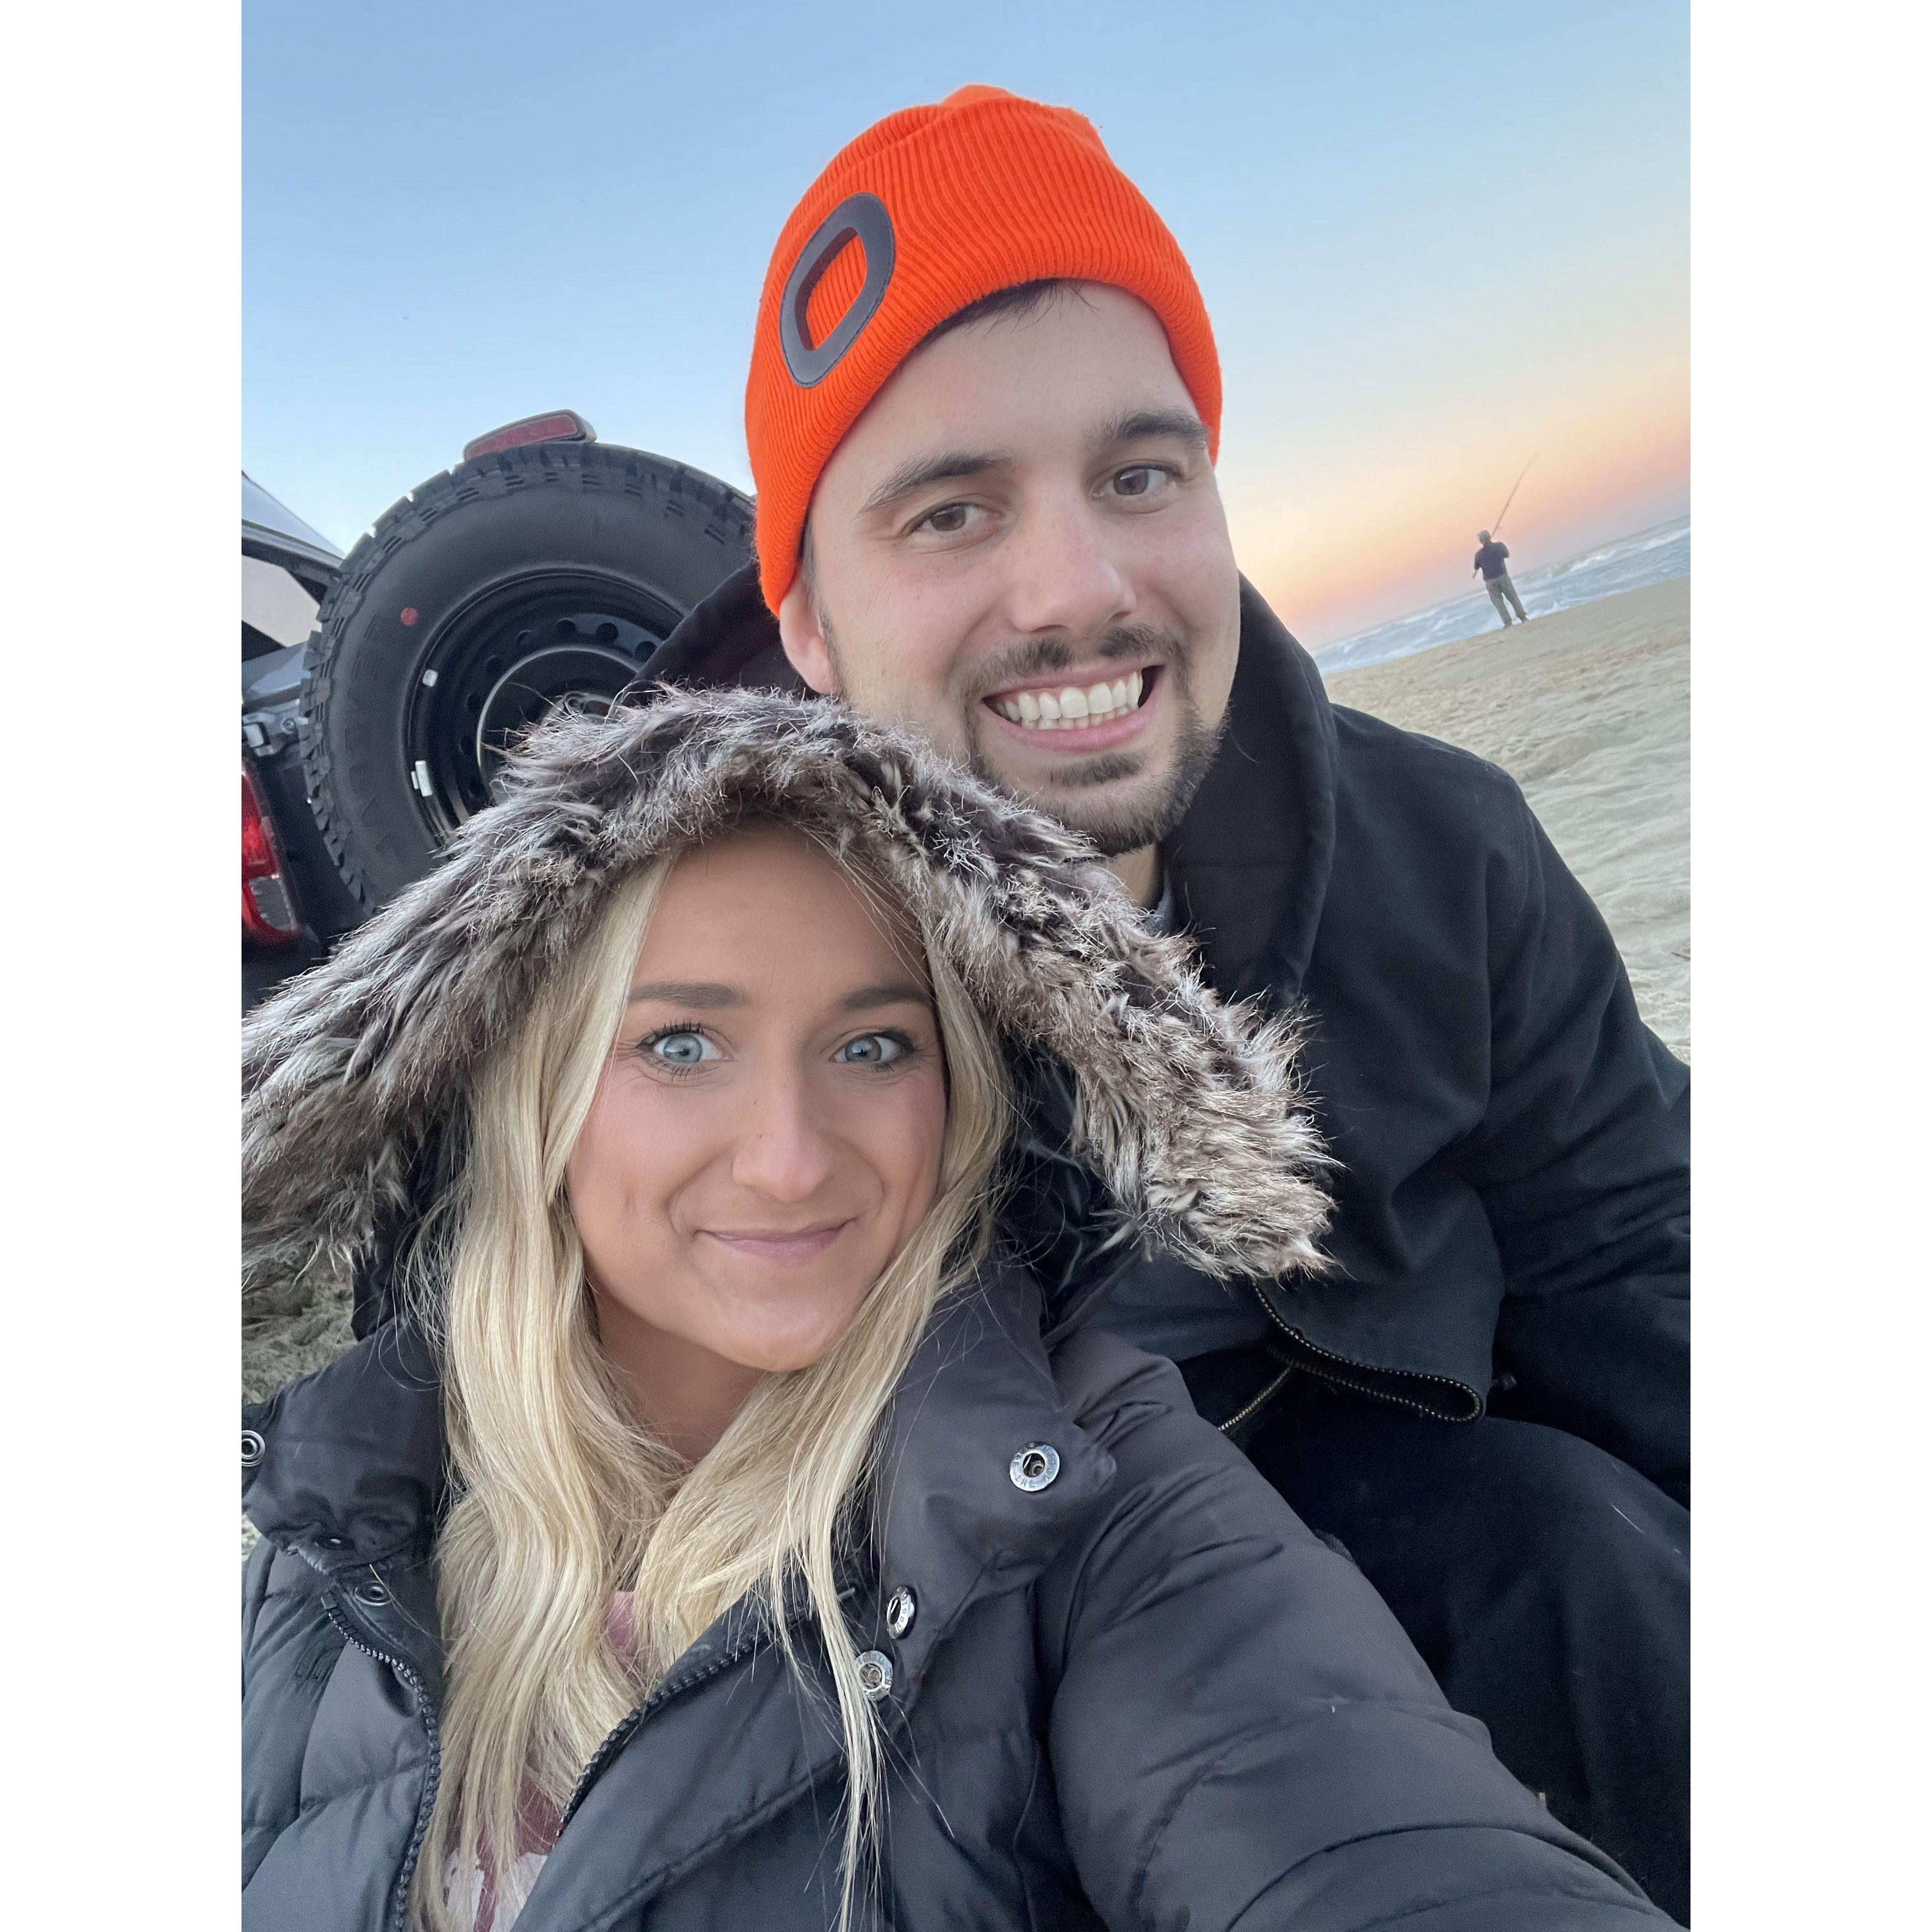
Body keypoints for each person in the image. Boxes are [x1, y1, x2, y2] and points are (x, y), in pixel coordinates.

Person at [632, 86, 1690, 1921]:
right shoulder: (664, 994)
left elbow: (1644, 1265)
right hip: (944, 1649)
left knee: (1584, 1547)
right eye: (950, 511)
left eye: (1138, 476)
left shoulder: (1441, 853)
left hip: (1413, 1510)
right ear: (808, 629)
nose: (1078, 588)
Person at [241, 690, 1669, 1932]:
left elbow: (1352, 1816)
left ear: (965, 1099)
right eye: (682, 1044)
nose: (790, 1158)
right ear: (531, 1100)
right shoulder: (319, 1524)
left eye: (874, 1045)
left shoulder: (1090, 1497)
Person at [1475, 529, 1530, 624]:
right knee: (1512, 597)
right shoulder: (1499, 546)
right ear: (1489, 537)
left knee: (1498, 602)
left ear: (1481, 541)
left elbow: (1476, 567)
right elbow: (1506, 555)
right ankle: (1523, 618)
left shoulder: (1479, 554)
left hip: (1490, 581)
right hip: (1503, 576)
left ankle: (1508, 622)